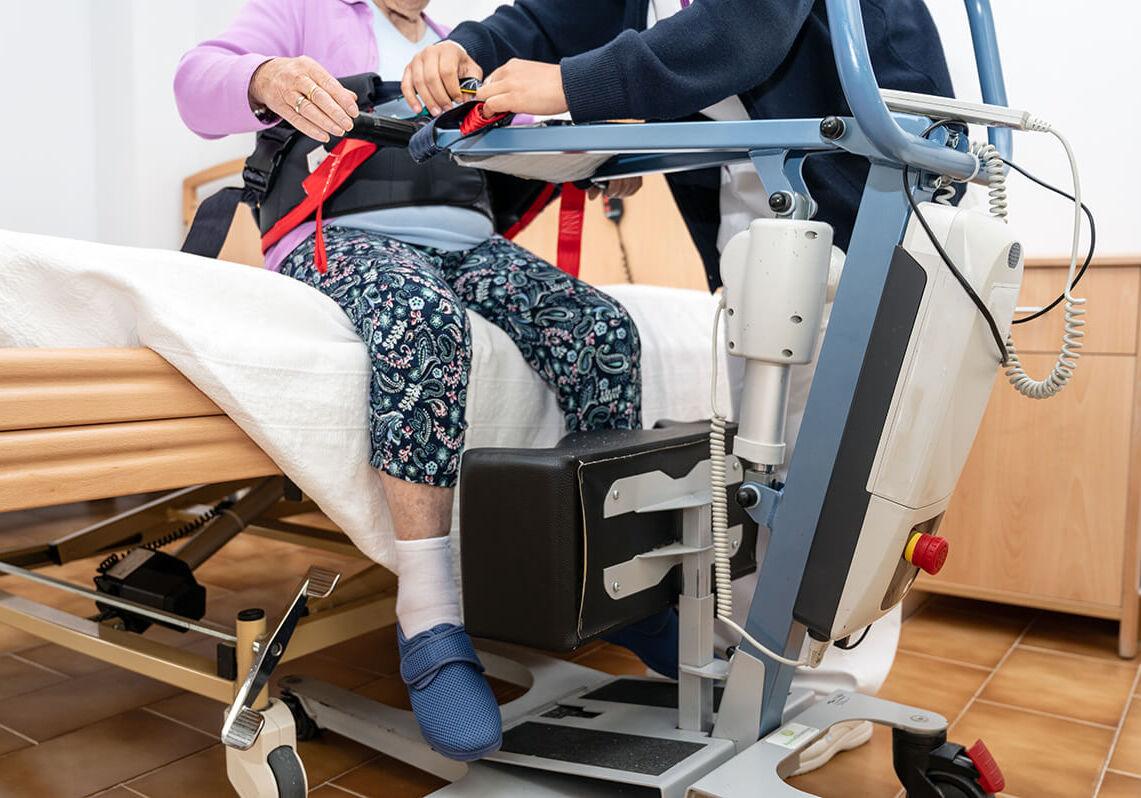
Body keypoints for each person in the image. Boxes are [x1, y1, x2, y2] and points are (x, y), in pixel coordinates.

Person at [403, 0, 952, 768]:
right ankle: (767, 666)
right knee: (774, 472)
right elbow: (544, 17)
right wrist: (463, 48)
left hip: (870, 207)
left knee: (844, 477)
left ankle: (830, 690)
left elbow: (742, 28)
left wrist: (566, 86)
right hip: (759, 230)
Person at [174, 0, 645, 762]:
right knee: (420, 320)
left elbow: (528, 145)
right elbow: (196, 82)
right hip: (344, 235)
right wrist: (266, 76)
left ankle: (601, 571)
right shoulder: (302, 12)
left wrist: (590, 160)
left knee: (600, 329)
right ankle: (428, 613)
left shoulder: (458, 47)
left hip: (469, 241)